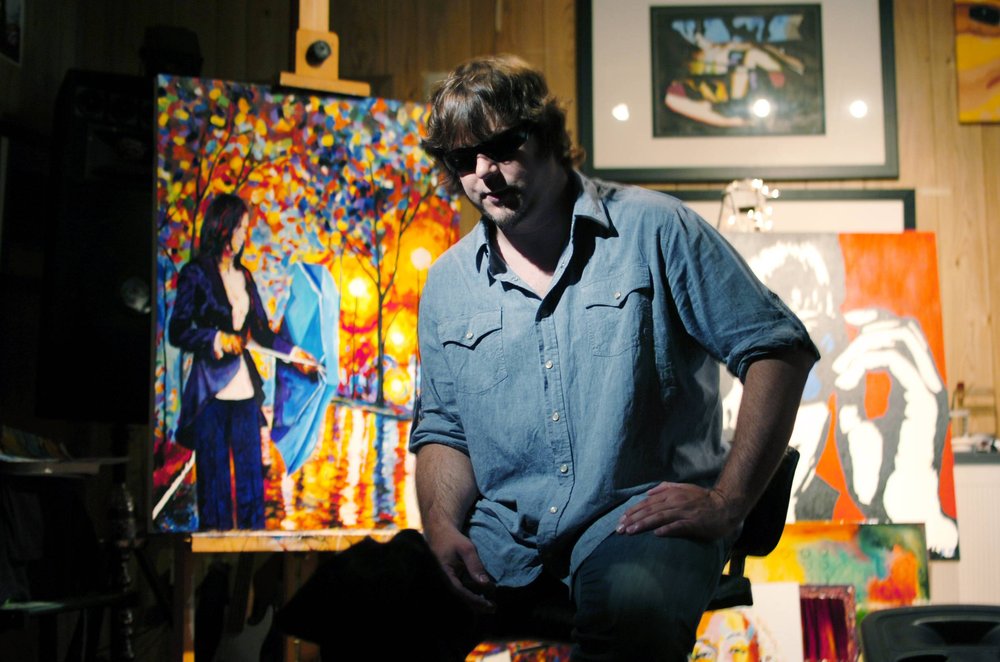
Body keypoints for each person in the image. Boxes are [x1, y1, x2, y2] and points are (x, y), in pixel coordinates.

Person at [409, 54, 818, 661]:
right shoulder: (448, 284)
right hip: (506, 539)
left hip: (640, 520)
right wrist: (441, 529)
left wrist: (727, 503)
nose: (483, 174)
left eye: (501, 147)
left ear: (548, 134)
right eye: (461, 160)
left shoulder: (656, 228)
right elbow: (444, 429)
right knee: (368, 595)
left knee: (631, 611)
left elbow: (778, 349)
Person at [169, 193, 314, 530]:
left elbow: (261, 332)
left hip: (246, 392)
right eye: (240, 228)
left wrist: (294, 354)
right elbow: (178, 330)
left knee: (251, 480)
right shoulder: (196, 274)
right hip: (210, 392)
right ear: (223, 227)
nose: (244, 235)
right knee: (213, 482)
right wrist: (216, 339)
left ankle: (252, 544)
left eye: (246, 229)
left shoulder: (245, 277)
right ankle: (216, 550)